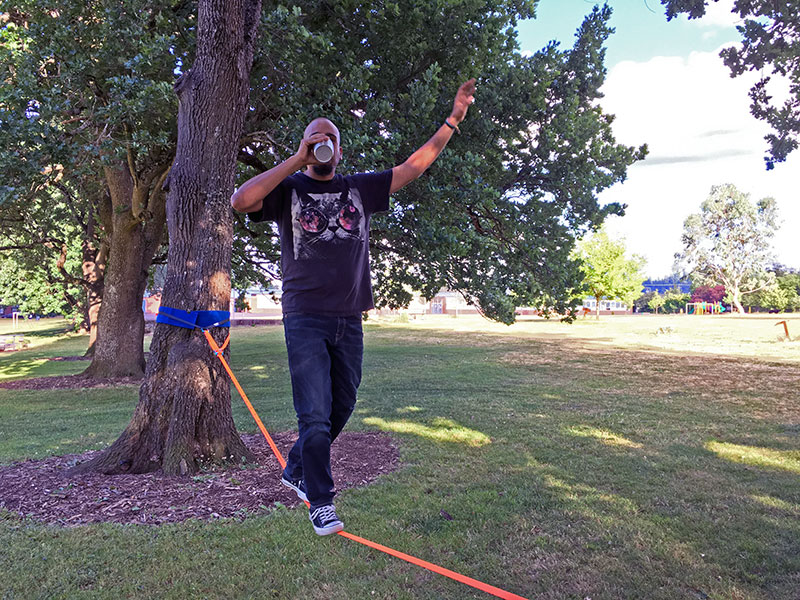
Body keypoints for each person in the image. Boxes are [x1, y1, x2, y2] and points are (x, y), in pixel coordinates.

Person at [231, 78, 476, 535]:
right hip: (304, 316)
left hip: (349, 317)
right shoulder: (288, 189)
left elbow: (413, 167)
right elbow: (241, 201)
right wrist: (295, 160)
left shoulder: (359, 190)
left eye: (330, 140)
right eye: (315, 139)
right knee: (315, 414)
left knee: (342, 403)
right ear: (306, 145)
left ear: (341, 150)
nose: (323, 147)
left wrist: (453, 119)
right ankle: (320, 501)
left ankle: (296, 467)